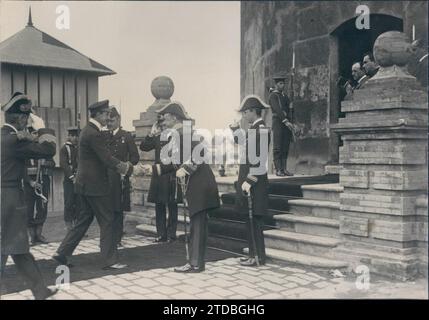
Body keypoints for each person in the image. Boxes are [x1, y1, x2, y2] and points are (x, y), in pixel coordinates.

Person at [140, 102, 220, 273]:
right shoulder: (177, 134)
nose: (162, 119)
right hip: (194, 185)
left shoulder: (185, 133)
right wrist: (152, 169)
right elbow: (172, 164)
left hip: (200, 184)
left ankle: (196, 264)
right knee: (195, 225)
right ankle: (194, 262)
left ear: (174, 117)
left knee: (197, 225)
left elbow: (202, 153)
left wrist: (186, 169)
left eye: (166, 115)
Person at [53, 100, 132, 270]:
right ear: (97, 115)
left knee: (83, 220)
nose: (107, 117)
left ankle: (62, 252)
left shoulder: (87, 131)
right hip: (95, 186)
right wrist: (126, 168)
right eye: (105, 114)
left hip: (84, 184)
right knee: (108, 220)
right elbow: (106, 158)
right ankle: (110, 261)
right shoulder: (94, 133)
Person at [1, 92, 58, 299]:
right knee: (5, 247)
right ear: (23, 118)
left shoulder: (4, 136)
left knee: (19, 247)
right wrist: (42, 126)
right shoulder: (15, 141)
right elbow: (48, 149)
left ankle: (40, 291)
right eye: (28, 118)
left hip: (6, 198)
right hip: (8, 199)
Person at [230, 95, 270, 267]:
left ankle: (259, 257)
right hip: (249, 182)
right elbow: (244, 144)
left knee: (256, 221)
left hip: (255, 183)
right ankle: (253, 254)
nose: (244, 116)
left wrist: (250, 180)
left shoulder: (261, 130)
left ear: (253, 111)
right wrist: (235, 129)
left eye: (245, 112)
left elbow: (259, 160)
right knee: (249, 220)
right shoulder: (253, 129)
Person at [140, 114, 178, 243]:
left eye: (164, 124)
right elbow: (144, 147)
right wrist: (151, 133)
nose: (163, 127)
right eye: (161, 125)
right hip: (159, 175)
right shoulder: (157, 138)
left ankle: (172, 234)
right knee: (159, 205)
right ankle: (161, 234)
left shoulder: (175, 137)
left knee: (172, 205)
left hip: (171, 174)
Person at [106, 107, 139, 247]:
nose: (109, 123)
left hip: (119, 178)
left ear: (118, 120)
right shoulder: (102, 136)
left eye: (112, 121)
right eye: (107, 121)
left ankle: (117, 238)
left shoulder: (126, 136)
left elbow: (135, 157)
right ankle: (107, 237)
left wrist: (126, 168)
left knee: (118, 209)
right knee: (106, 209)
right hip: (105, 178)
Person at [23, 124, 56, 246]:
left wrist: (46, 162)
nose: (36, 136)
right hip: (29, 183)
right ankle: (32, 237)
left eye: (37, 133)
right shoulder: (25, 149)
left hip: (43, 181)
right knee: (28, 209)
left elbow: (53, 163)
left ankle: (39, 235)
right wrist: (30, 182)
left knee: (42, 207)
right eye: (33, 133)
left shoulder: (45, 148)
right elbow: (21, 168)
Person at [268, 74, 293, 176]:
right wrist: (285, 120)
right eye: (280, 83)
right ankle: (278, 169)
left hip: (286, 124)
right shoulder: (273, 96)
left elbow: (289, 109)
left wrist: (290, 120)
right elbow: (277, 110)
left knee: (285, 146)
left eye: (283, 83)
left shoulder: (285, 96)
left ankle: (284, 169)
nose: (282, 85)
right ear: (276, 84)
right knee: (278, 147)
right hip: (278, 123)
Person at [59, 126, 80, 232]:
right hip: (69, 180)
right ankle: (69, 228)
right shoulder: (64, 148)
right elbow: (64, 164)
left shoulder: (79, 148)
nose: (75, 138)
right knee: (69, 203)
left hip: (79, 179)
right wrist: (72, 177)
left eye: (77, 136)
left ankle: (77, 227)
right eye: (73, 136)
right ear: (69, 136)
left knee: (79, 202)